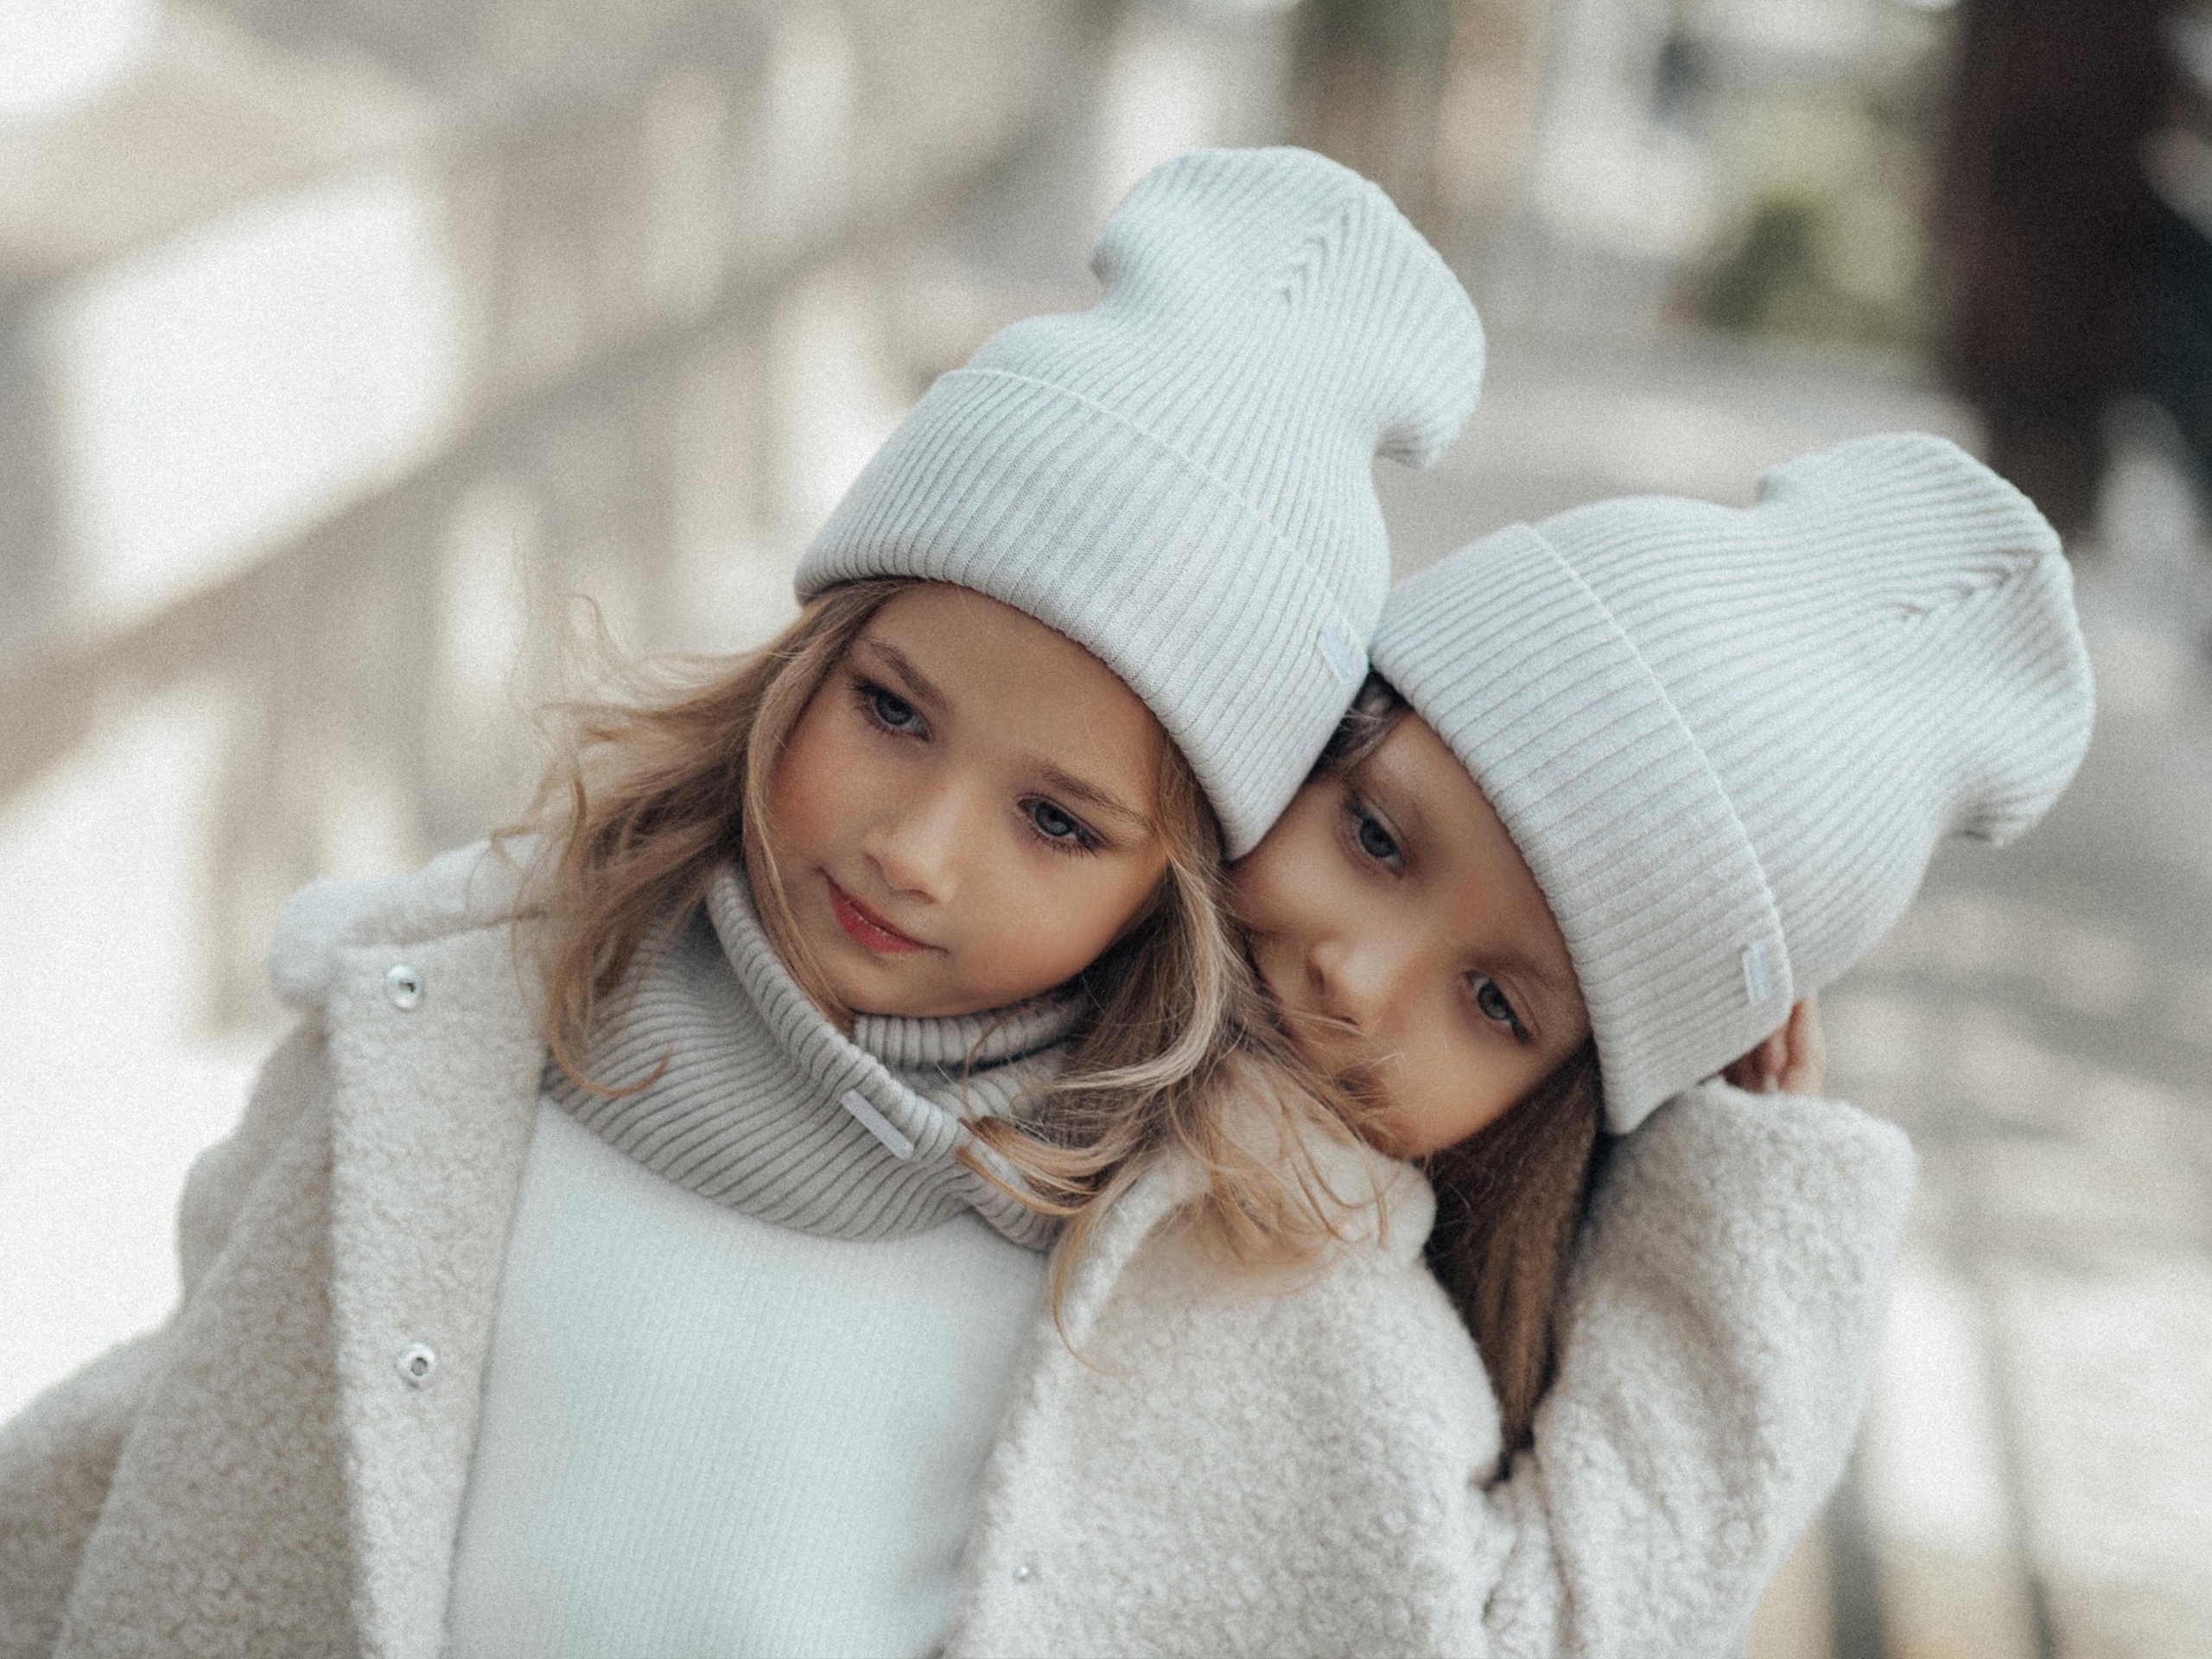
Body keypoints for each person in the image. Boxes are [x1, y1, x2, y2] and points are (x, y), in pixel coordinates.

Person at [0, 147, 1485, 1658]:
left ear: (1164, 903)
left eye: (1055, 820)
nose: (916, 850)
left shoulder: (1198, 1263)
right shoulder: (451, 1035)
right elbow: (169, 1439)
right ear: (809, 663)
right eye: (894, 713)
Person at [941, 432, 2094, 1656]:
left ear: (1551, 1102)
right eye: (1378, 841)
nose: (1360, 981)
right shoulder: (985, 965)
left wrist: (1738, 1238)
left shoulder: (1364, 1356)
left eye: (1497, 1006)